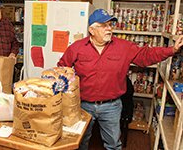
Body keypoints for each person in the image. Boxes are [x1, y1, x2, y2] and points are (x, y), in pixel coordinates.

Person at [57, 9, 183, 150]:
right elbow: (62, 67)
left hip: (111, 106)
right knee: (80, 142)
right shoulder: (76, 48)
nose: (109, 29)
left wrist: (172, 50)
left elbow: (147, 55)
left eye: (110, 25)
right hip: (83, 105)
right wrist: (66, 81)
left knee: (113, 145)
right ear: (91, 30)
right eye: (104, 25)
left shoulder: (124, 47)